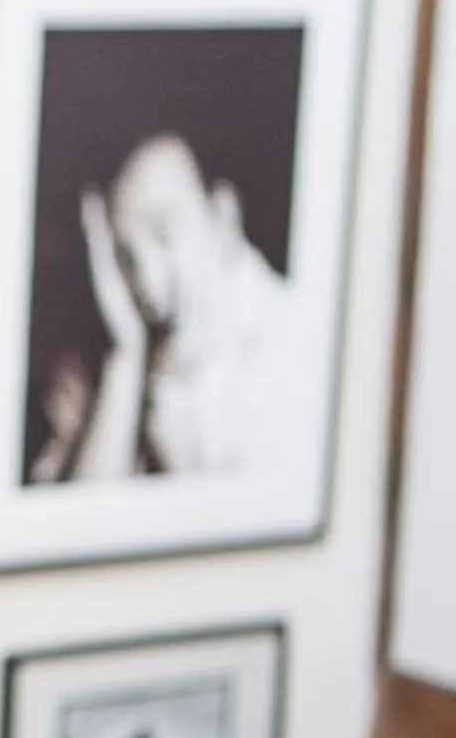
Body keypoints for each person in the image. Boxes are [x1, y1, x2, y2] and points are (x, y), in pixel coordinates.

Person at [30, 131, 302, 484]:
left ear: (223, 217)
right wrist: (125, 360)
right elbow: (72, 529)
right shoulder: (89, 368)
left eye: (164, 232)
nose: (148, 282)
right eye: (124, 256)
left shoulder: (298, 344)